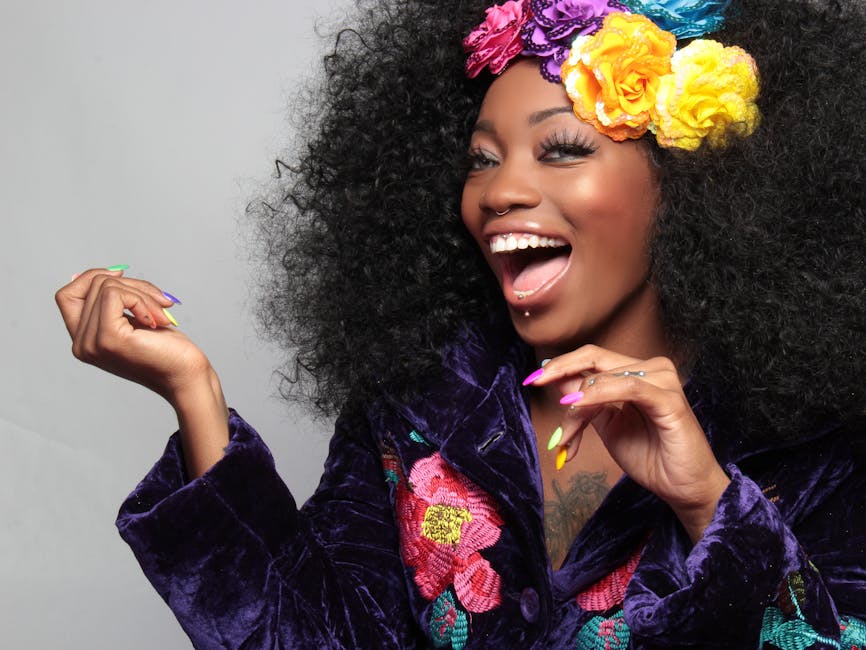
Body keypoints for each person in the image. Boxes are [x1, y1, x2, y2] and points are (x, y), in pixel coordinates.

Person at [55, 0, 866, 647]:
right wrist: (194, 397)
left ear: (690, 187)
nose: (500, 191)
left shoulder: (813, 441)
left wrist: (708, 505)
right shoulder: (420, 406)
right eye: (483, 157)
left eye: (560, 150)